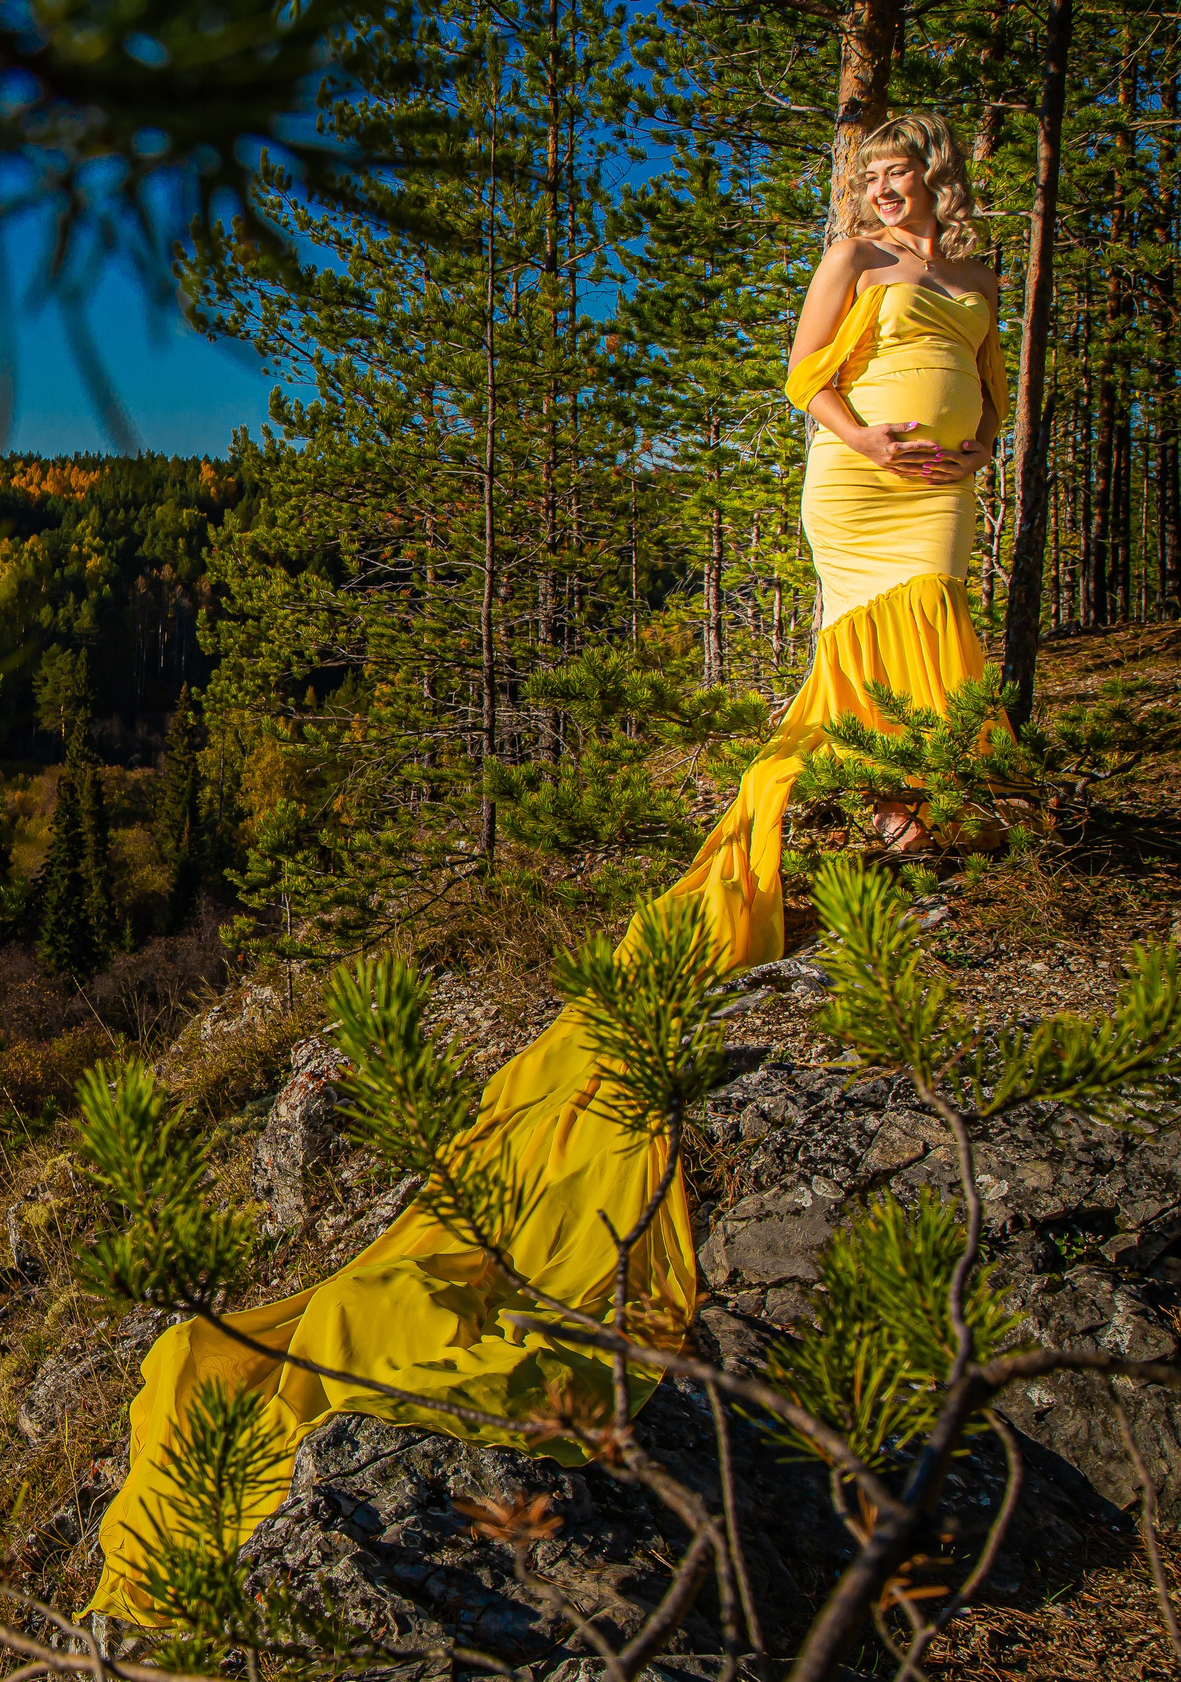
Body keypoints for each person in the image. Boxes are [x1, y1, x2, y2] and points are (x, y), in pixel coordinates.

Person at [85, 113, 1008, 1627]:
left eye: (910, 180)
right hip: (866, 493)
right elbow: (805, 381)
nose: (895, 195)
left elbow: (995, 380)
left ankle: (922, 810)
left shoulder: (969, 265)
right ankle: (863, 819)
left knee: (936, 640)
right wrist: (880, 438)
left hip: (948, 484)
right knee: (864, 652)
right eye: (880, 181)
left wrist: (964, 443)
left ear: (941, 181)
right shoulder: (855, 251)